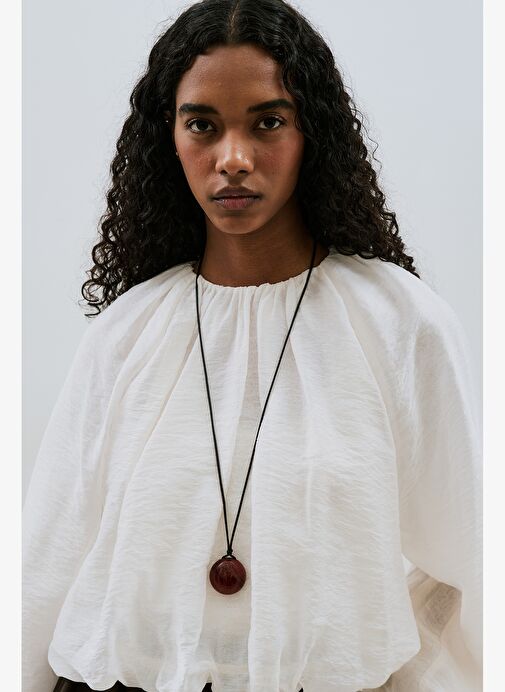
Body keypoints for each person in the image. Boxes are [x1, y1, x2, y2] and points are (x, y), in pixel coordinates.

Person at [22, 0, 482, 690]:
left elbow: (472, 560)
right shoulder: (128, 333)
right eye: (202, 125)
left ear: (311, 132)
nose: (232, 159)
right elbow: (46, 568)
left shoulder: (398, 324)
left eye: (267, 122)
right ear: (168, 138)